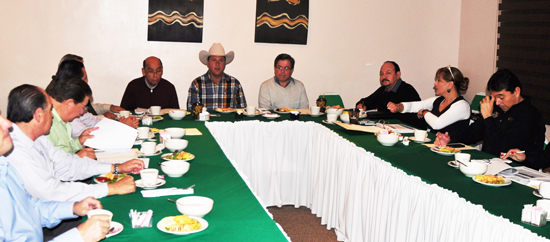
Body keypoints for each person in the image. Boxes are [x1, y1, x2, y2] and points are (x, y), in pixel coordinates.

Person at [6, 84, 143, 203]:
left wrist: (116, 168)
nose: (53, 115)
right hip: (45, 223)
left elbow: (69, 165)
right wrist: (111, 188)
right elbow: (53, 193)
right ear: (38, 115)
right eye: (49, 110)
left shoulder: (38, 139)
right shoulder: (15, 151)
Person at [0, 113, 111, 242]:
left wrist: (73, 208)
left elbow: (29, 207)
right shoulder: (15, 155)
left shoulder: (4, 165)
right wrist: (79, 237)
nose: (8, 123)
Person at [435, 69, 546, 168]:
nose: (497, 102)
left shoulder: (530, 116)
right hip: (487, 166)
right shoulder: (497, 109)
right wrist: (450, 138)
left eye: (501, 97)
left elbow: (503, 148)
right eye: (494, 97)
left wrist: (488, 118)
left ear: (516, 92)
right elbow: (473, 133)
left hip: (514, 171)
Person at [55, 56, 138, 137]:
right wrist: (122, 127)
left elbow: (93, 121)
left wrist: (119, 124)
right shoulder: (65, 106)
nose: (86, 82)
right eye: (84, 79)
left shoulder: (74, 100)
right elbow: (89, 138)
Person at [387, 66, 471, 134]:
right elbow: (415, 105)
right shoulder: (438, 100)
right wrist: (398, 107)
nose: (435, 83)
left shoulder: (462, 106)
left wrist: (424, 112)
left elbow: (437, 124)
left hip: (453, 150)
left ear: (450, 85)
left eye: (439, 80)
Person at [355, 61, 425, 128]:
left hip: (408, 132)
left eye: (388, 73)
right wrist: (361, 105)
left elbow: (410, 119)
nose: (384, 76)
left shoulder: (408, 90)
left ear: (398, 75)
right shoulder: (383, 90)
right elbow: (368, 102)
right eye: (382, 74)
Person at [45, 74, 99, 158]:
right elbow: (50, 162)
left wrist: (79, 141)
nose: (81, 113)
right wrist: (77, 157)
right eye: (82, 107)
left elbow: (64, 149)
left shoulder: (62, 119)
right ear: (69, 103)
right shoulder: (46, 121)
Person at [187, 43, 247, 110]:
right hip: (204, 120)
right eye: (214, 60)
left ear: (225, 63)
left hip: (227, 120)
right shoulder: (197, 84)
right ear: (208, 63)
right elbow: (192, 111)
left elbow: (242, 110)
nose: (217, 64)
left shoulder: (234, 84)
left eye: (221, 60)